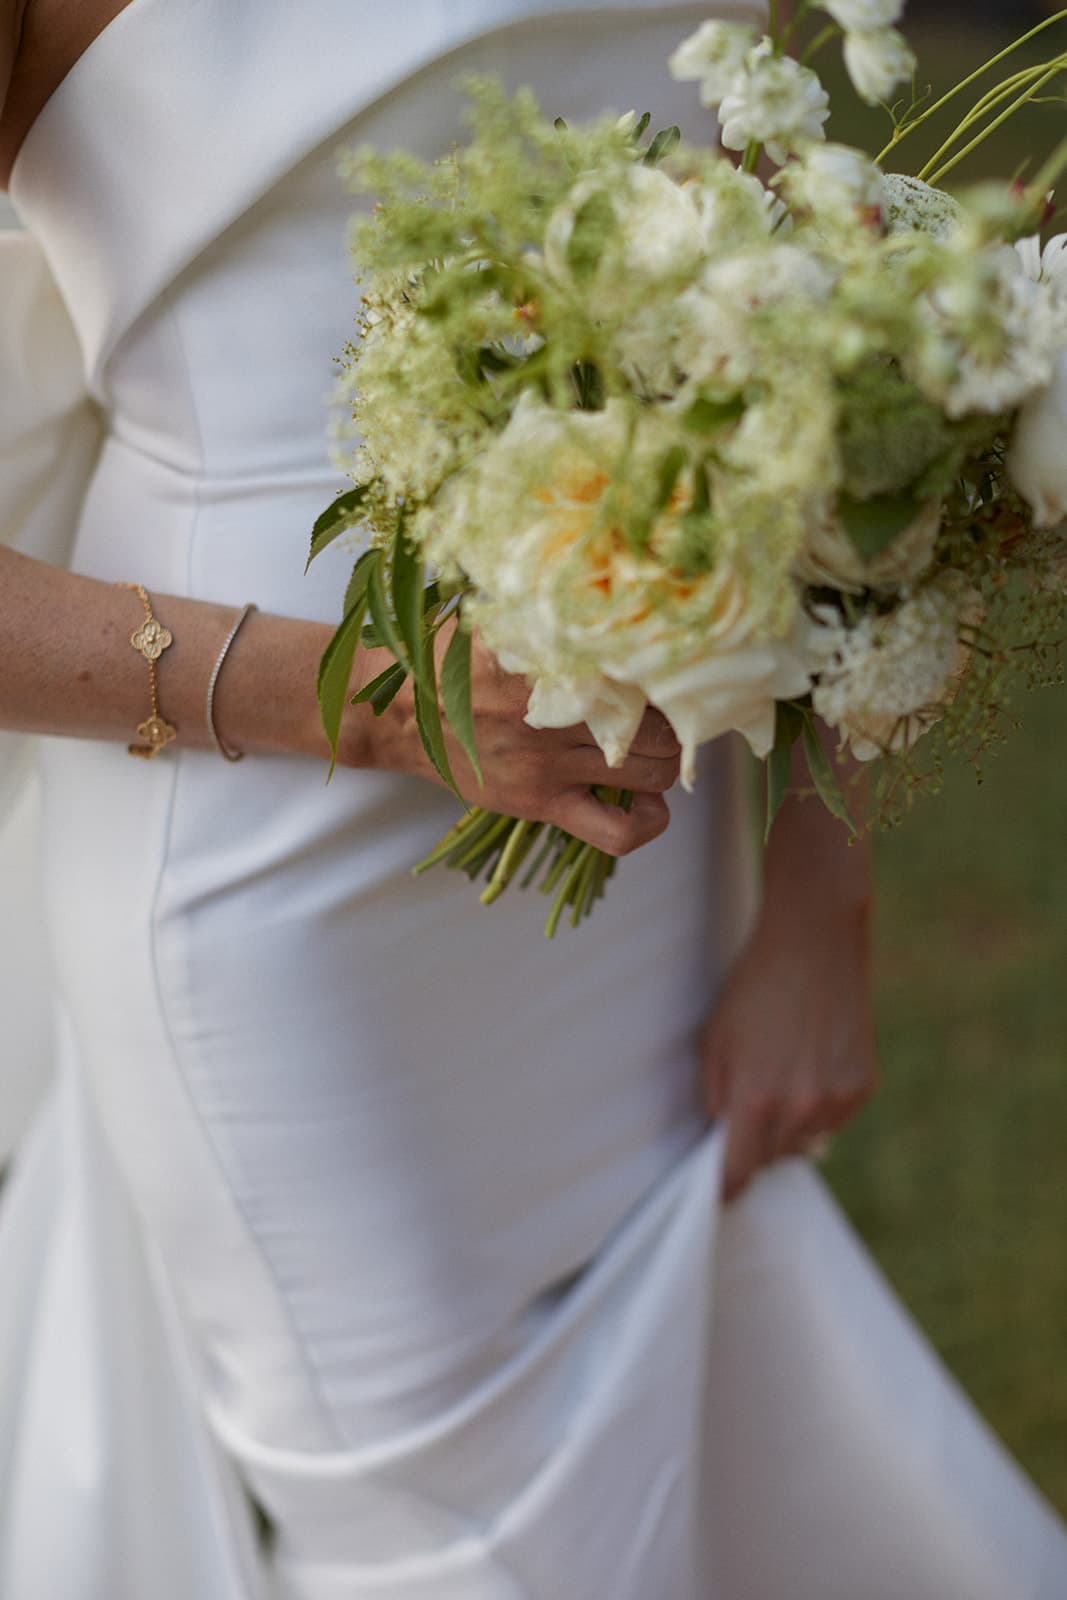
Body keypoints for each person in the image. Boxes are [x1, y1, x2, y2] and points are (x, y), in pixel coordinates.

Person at [1, 3, 1065, 1597]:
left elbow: (815, 315)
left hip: (648, 823)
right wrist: (396, 704)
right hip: (274, 873)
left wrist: (818, 899)